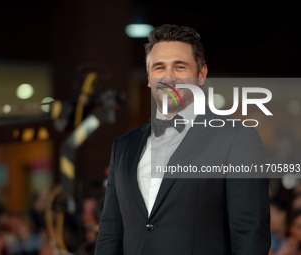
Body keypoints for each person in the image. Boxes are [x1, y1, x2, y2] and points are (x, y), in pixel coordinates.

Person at [95, 24, 270, 255]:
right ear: (149, 78)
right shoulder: (123, 146)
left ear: (201, 75)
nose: (169, 77)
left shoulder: (237, 138)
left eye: (180, 67)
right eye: (159, 67)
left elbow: (250, 235)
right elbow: (110, 232)